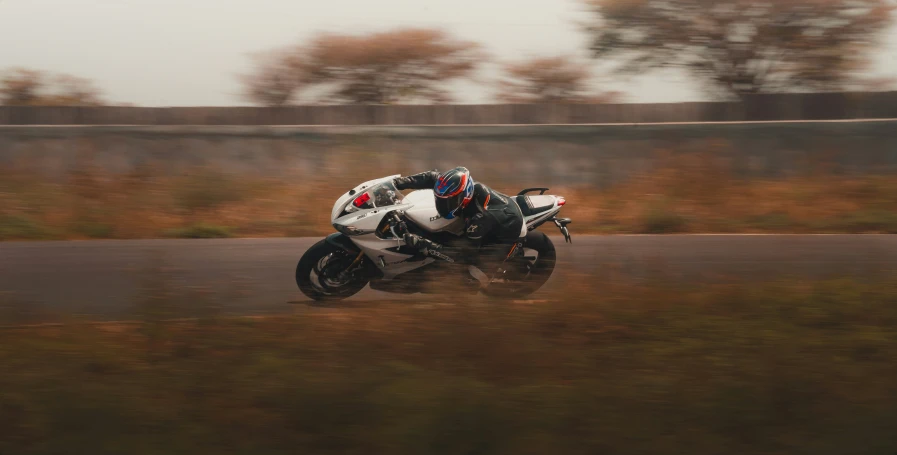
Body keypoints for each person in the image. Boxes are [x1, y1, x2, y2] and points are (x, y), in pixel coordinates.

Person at [392, 167, 527, 283]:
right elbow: (431, 177)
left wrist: (425, 244)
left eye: (450, 201)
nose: (444, 206)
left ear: (465, 195)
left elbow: (462, 255)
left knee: (470, 277)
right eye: (441, 200)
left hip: (506, 234)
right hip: (495, 214)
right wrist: (397, 183)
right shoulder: (458, 189)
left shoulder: (480, 219)